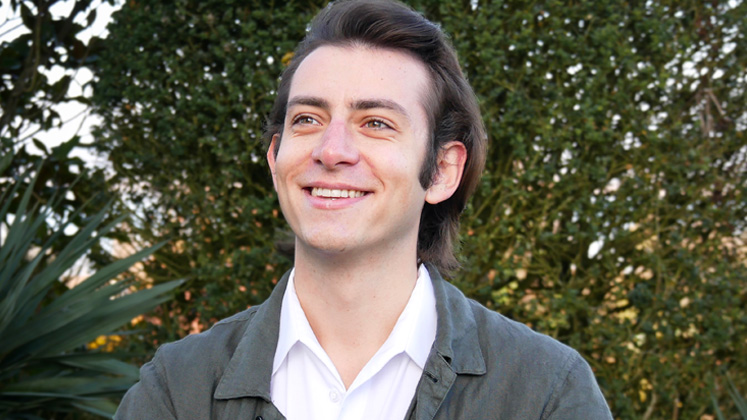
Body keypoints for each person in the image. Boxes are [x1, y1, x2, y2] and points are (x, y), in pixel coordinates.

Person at [115, 0, 613, 419]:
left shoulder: (545, 393)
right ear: (275, 157)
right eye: (308, 118)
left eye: (376, 123)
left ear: (441, 170)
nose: (331, 151)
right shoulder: (177, 391)